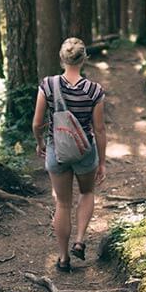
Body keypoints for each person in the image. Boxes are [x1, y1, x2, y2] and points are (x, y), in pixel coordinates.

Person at [32, 38, 106, 271]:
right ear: (84, 59)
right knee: (87, 192)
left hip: (57, 150)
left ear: (62, 58)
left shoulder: (48, 84)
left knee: (63, 203)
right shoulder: (94, 90)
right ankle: (80, 240)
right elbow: (99, 129)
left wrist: (40, 142)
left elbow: (37, 123)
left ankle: (63, 258)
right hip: (85, 150)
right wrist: (102, 162)